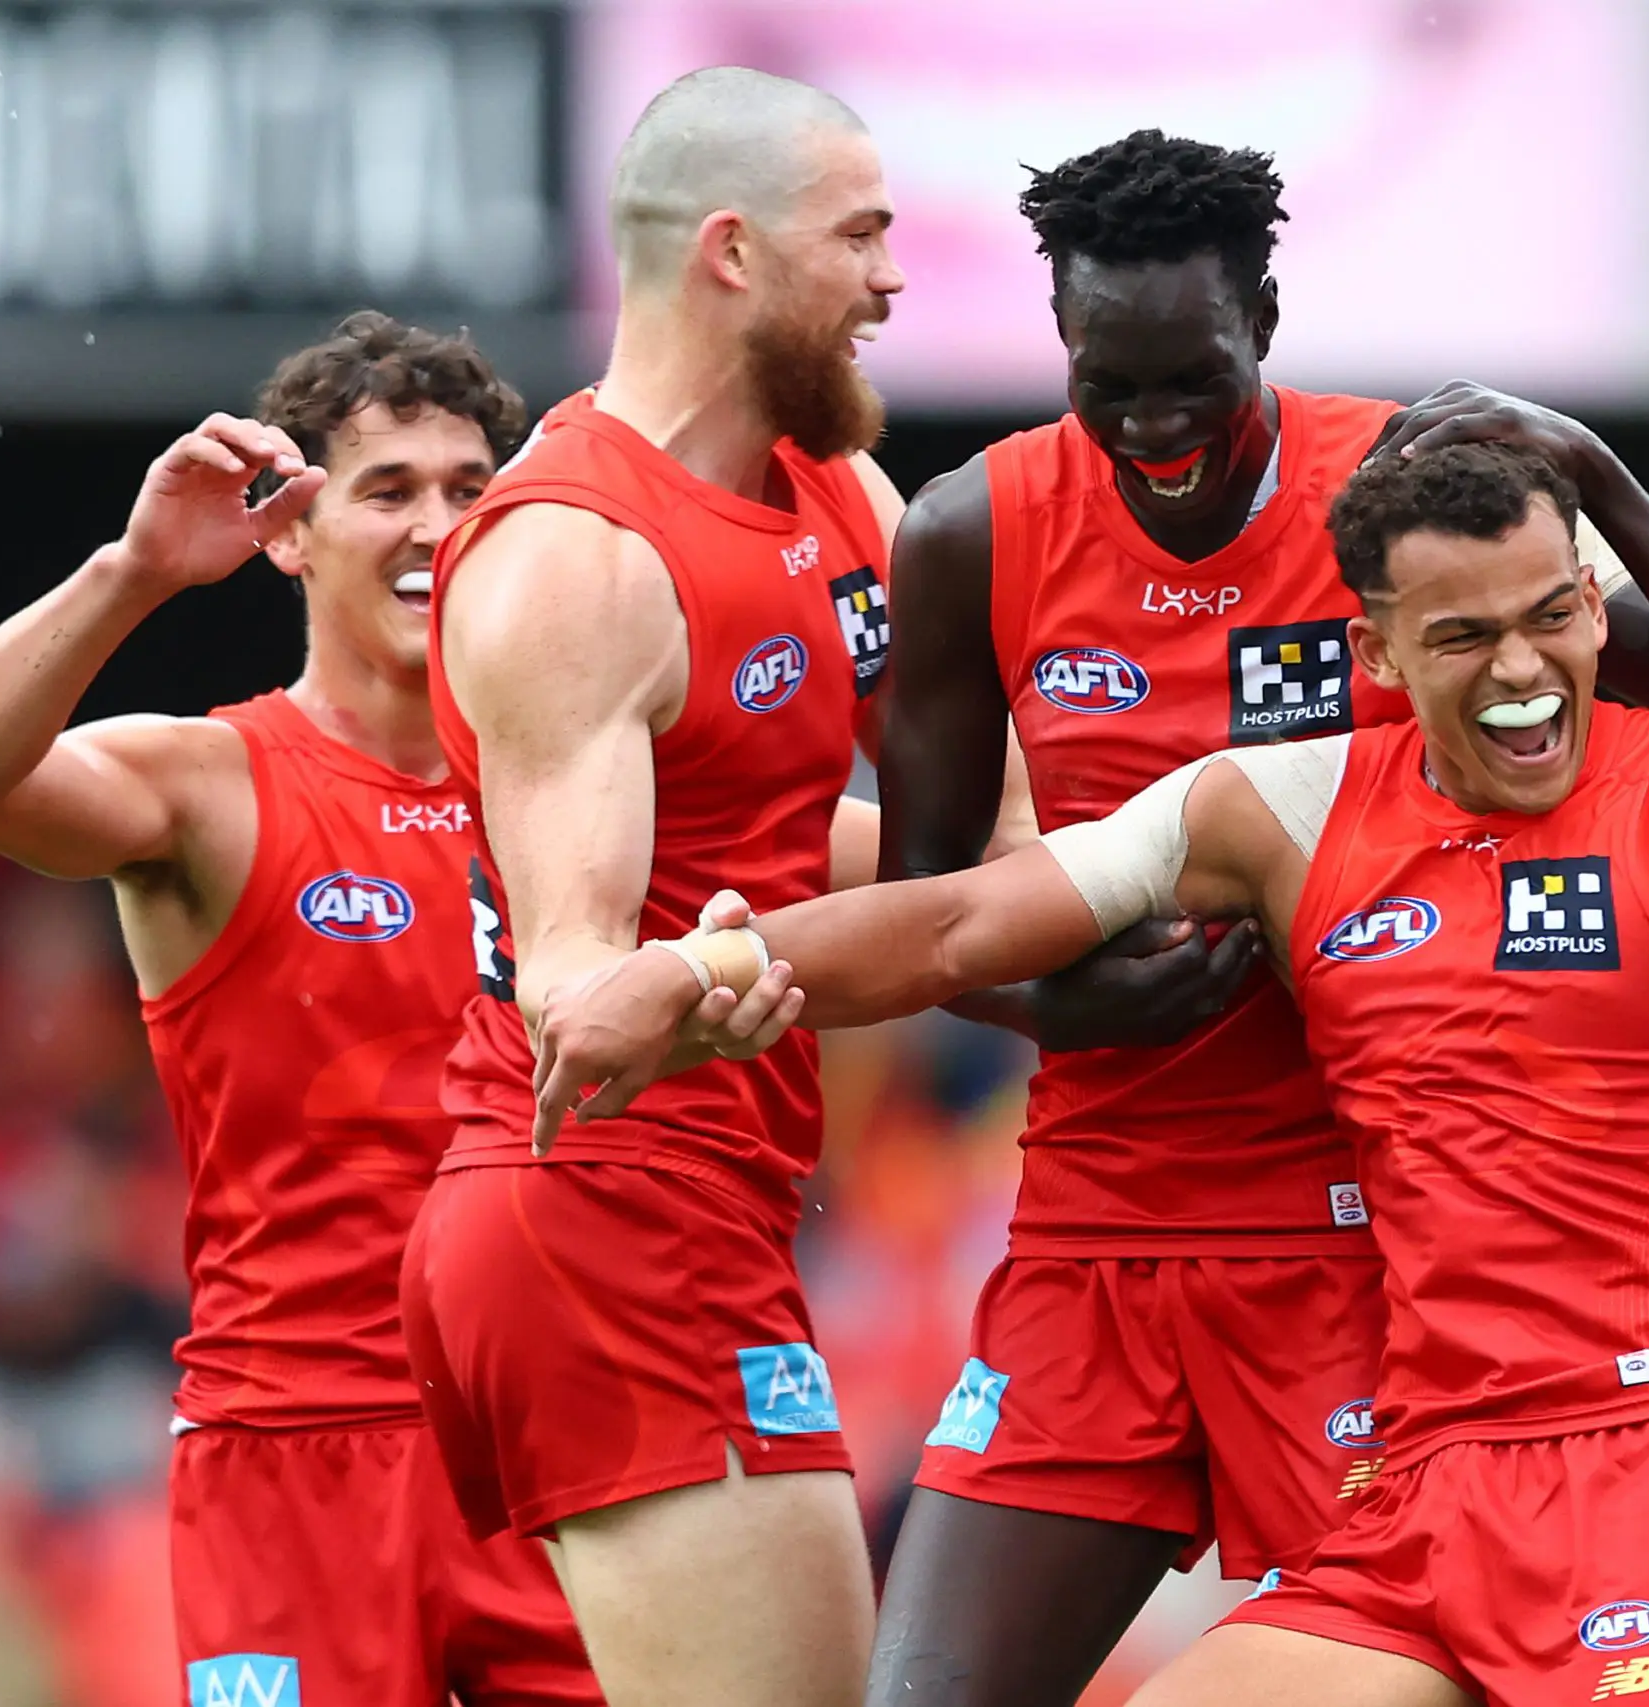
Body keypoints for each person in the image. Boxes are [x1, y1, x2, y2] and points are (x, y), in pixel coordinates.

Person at [535, 439, 1649, 1707]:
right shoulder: (1277, 812)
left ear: (1595, 601)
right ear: (1373, 652)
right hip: (1421, 1503)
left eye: (1552, 617)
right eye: (1463, 639)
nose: (1521, 674)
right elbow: (967, 922)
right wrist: (694, 970)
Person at [864, 129, 1649, 1706]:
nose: (1153, 427)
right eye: (1106, 383)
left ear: (1264, 310)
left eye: (1191, 374)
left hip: (1363, 1256)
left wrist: (1598, 477)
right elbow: (927, 910)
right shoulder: (971, 533)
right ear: (1057, 339)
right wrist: (1072, 1009)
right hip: (1095, 1235)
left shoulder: (1409, 504)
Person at [0, 314, 607, 1705]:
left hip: (551, 1441)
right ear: (291, 533)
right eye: (388, 488)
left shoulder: (586, 788)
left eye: (472, 488)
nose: (437, 524)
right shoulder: (210, 781)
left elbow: (894, 859)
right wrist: (136, 571)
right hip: (294, 1444)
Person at [400, 65, 944, 1707]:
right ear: (732, 252)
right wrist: (716, 976)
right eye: (860, 236)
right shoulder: (580, 557)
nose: (894, 279)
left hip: (705, 1205)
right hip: (602, 1210)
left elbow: (947, 844)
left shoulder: (844, 493)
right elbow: (577, 972)